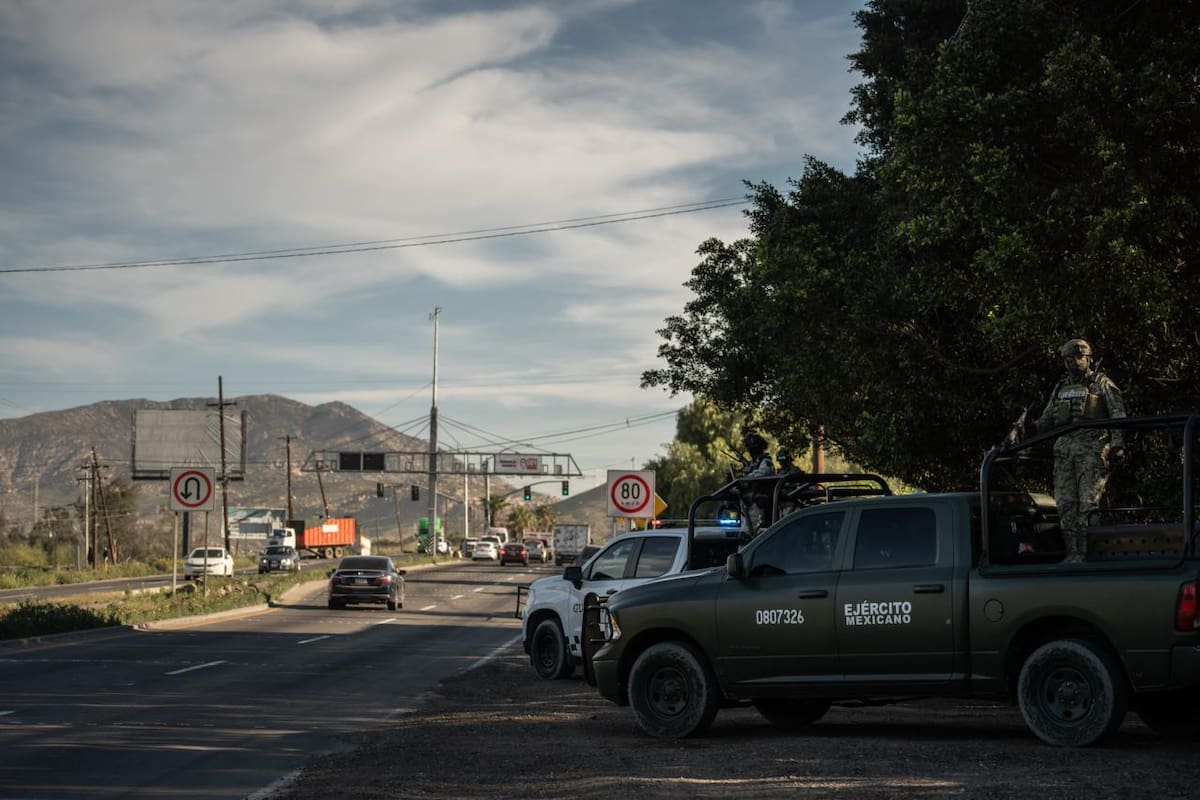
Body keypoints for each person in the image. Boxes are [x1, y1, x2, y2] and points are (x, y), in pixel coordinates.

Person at [1030, 338, 1127, 563]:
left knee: (1088, 504)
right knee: (1065, 504)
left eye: (1077, 357)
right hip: (1064, 453)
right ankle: (1072, 554)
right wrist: (1030, 426)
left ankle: (1090, 553)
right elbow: (1048, 419)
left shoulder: (1101, 383)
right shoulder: (1060, 388)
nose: (1072, 362)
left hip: (1091, 451)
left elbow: (1118, 415)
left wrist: (1117, 444)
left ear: (1088, 358)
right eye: (1067, 359)